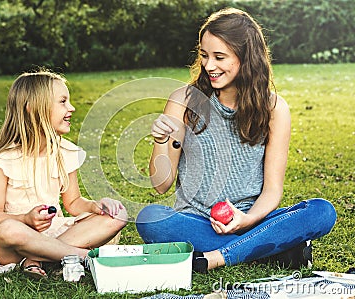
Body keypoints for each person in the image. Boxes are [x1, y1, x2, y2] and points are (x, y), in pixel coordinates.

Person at [136, 8, 336, 273]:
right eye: (204, 56)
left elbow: (272, 191)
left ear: (247, 59)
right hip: (195, 221)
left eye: (220, 57)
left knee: (321, 211)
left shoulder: (274, 109)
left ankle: (216, 257)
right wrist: (162, 141)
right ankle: (266, 249)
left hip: (252, 219)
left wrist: (246, 220)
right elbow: (160, 185)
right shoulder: (183, 100)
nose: (209, 66)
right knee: (150, 219)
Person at [0, 69, 128, 279]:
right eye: (63, 102)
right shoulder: (3, 161)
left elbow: (73, 202)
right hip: (12, 242)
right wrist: (25, 219)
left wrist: (95, 205)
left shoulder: (64, 152)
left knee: (118, 215)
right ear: (33, 109)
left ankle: (37, 258)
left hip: (51, 232)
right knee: (9, 229)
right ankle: (84, 256)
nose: (72, 108)